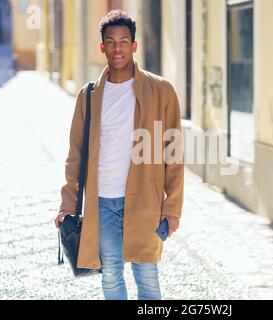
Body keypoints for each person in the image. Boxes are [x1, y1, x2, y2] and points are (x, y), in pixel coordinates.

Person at [55, 10, 184, 300]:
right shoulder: (88, 96)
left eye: (124, 41)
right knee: (111, 275)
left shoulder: (161, 91)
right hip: (102, 202)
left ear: (134, 46)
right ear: (102, 47)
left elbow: (173, 154)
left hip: (146, 200)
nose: (117, 49)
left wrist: (172, 206)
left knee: (147, 275)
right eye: (111, 42)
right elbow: (75, 154)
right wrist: (67, 202)